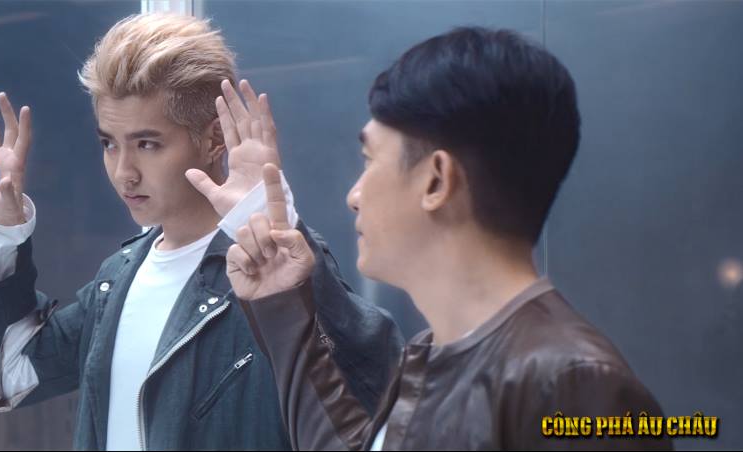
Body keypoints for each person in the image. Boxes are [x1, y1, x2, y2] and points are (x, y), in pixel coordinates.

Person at [0, 13, 401, 450]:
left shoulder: (268, 271)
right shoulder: (118, 277)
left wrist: (264, 222)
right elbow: (15, 376)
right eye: (109, 143)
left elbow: (368, 395)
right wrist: (5, 231)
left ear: (214, 140)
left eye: (147, 144)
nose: (124, 172)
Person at [228, 27, 672, 450]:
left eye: (368, 159)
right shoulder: (433, 354)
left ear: (437, 180)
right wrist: (279, 301)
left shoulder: (573, 383)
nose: (354, 196)